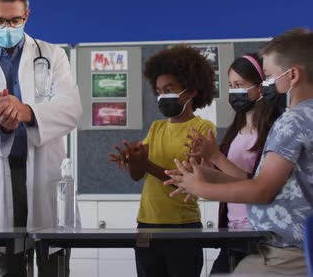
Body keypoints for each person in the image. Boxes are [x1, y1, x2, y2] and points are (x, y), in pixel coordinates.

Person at [0, 0, 82, 276]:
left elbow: (71, 110)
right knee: (9, 268)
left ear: (27, 16)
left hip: (47, 175)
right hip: (2, 177)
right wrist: (2, 127)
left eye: (15, 20)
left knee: (54, 266)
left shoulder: (52, 56)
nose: (7, 27)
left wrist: (27, 112)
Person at [167, 28, 313, 276]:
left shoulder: (293, 121)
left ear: (293, 75)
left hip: (287, 253)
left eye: (268, 76)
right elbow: (275, 183)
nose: (267, 85)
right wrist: (207, 175)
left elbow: (263, 189)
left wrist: (200, 188)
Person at [109, 45, 217, 277]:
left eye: (170, 89)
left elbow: (185, 180)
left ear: (191, 91)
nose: (163, 96)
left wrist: (145, 163)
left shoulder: (202, 128)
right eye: (159, 91)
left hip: (182, 226)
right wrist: (131, 159)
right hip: (146, 224)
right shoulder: (156, 128)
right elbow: (137, 175)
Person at [184, 53, 285, 274]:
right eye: (230, 85)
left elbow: (258, 184)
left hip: (258, 234)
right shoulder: (235, 130)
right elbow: (225, 177)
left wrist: (217, 157)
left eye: (240, 84)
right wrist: (199, 172)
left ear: (260, 87)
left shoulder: (274, 131)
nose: (234, 91)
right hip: (232, 230)